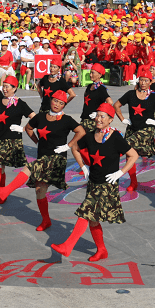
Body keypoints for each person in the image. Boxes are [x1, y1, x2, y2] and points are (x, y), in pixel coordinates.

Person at [52, 102, 139, 260]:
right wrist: (83, 166)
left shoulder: (116, 137)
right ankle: (102, 250)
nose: (98, 119)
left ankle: (67, 246)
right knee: (92, 220)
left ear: (110, 119)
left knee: (85, 213)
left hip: (107, 185)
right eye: (97, 115)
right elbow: (75, 148)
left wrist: (120, 172)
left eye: (102, 116)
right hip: (93, 182)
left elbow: (133, 155)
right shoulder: (90, 136)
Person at [0, 90, 86, 231]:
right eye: (55, 101)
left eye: (61, 103)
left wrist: (67, 146)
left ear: (64, 105)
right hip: (43, 157)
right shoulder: (41, 116)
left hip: (56, 159)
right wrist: (37, 142)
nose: (57, 104)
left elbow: (81, 131)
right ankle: (46, 220)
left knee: (30, 167)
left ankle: (5, 191)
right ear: (51, 100)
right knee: (39, 190)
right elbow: (29, 128)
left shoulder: (67, 120)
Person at [114, 65, 155, 192]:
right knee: (130, 156)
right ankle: (133, 181)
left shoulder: (154, 97)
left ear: (151, 82)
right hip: (132, 128)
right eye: (141, 79)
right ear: (138, 80)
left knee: (126, 146)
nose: (143, 82)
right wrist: (122, 119)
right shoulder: (130, 94)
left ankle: (117, 173)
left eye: (146, 80)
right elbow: (116, 105)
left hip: (146, 129)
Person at [0, 76, 35, 203]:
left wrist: (23, 128)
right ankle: (0, 193)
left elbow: (35, 118)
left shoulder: (20, 104)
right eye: (3, 86)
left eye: (7, 87)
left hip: (13, 140)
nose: (4, 89)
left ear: (14, 88)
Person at [79, 64, 111, 133]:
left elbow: (110, 102)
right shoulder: (90, 86)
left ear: (99, 75)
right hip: (84, 119)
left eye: (93, 73)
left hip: (93, 122)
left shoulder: (101, 88)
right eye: (90, 72)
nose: (90, 75)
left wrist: (98, 113)